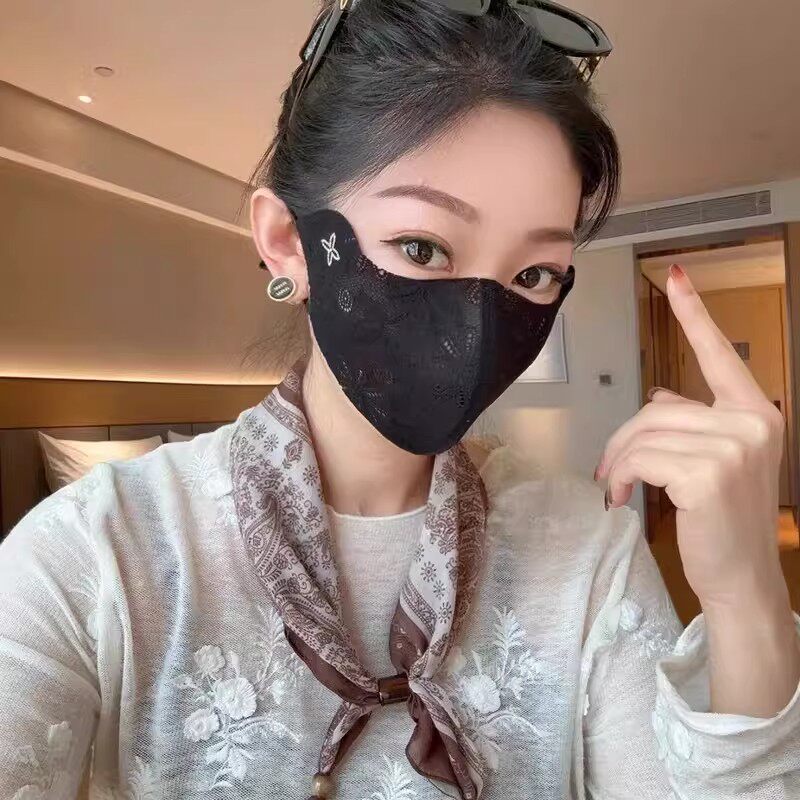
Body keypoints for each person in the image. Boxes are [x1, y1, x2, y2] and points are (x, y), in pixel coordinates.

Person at [1, 1, 798, 798]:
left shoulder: (588, 549)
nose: (477, 331)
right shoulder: (99, 554)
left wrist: (747, 595)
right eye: (422, 248)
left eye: (533, 275)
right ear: (288, 242)